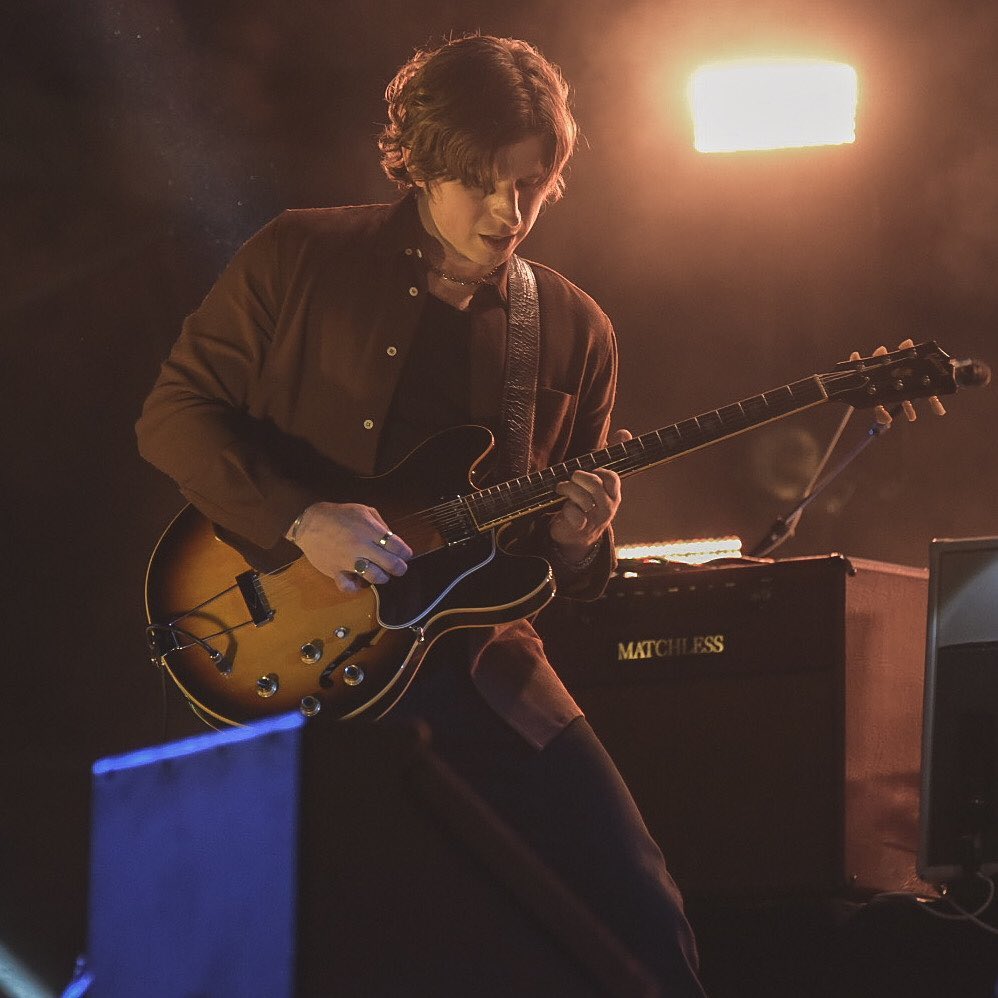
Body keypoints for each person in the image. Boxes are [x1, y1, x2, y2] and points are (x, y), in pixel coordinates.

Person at [137, 33, 706, 996]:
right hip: (294, 646)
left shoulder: (572, 327)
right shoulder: (302, 254)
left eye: (529, 185)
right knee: (280, 942)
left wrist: (578, 542)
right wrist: (300, 515)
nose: (506, 212)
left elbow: (563, 572)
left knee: (638, 916)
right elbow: (172, 416)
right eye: (480, 184)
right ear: (420, 163)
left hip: (478, 663)